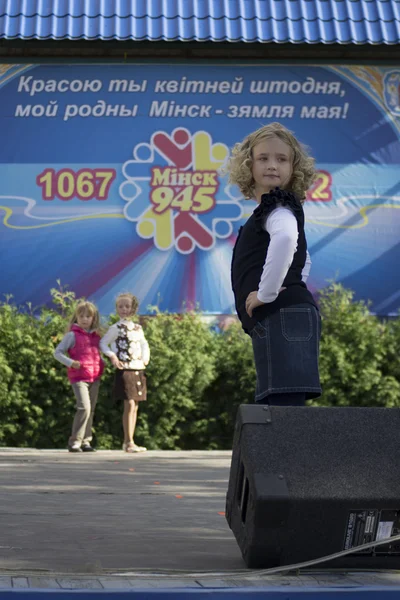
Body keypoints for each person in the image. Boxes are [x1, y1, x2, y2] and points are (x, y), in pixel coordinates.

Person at [228, 122, 322, 406]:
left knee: (282, 413)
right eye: (263, 158)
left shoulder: (277, 206)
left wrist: (266, 293)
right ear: (249, 164)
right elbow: (303, 260)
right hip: (286, 316)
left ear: (294, 168)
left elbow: (285, 239)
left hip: (282, 315)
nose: (272, 165)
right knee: (279, 410)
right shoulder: (272, 208)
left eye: (282, 159)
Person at [100, 293, 150, 453]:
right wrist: (113, 357)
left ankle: (130, 441)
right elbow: (103, 343)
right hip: (125, 369)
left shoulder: (138, 328)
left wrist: (145, 358)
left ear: (133, 309)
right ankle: (128, 441)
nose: (124, 309)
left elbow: (144, 344)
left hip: (138, 368)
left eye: (127, 306)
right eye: (120, 306)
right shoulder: (115, 328)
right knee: (128, 403)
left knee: (135, 405)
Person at [54, 301, 104, 452]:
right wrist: (70, 363)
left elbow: (101, 351)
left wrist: (103, 361)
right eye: (81, 316)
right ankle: (75, 441)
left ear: (93, 318)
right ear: (76, 317)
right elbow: (58, 353)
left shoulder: (96, 336)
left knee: (91, 409)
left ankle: (85, 441)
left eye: (88, 316)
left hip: (95, 377)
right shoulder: (72, 335)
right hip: (79, 377)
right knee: (84, 407)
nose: (84, 319)